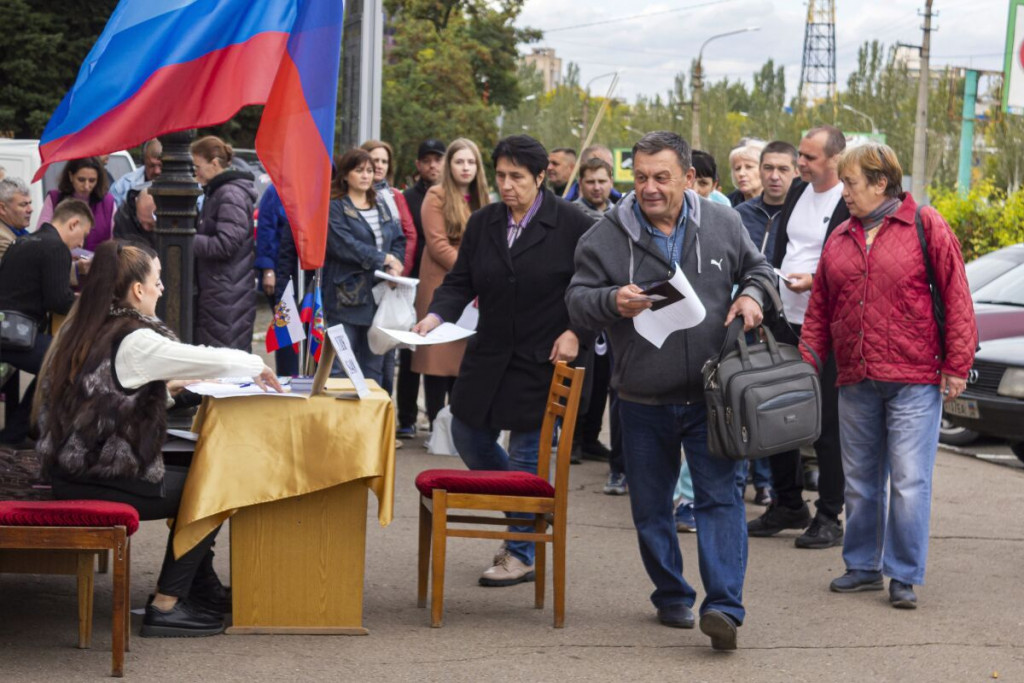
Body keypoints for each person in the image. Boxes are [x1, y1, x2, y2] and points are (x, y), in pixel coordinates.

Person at [566, 130, 775, 650]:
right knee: (651, 508)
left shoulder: (724, 223)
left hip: (713, 395)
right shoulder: (605, 235)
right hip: (640, 397)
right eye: (640, 178)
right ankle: (671, 594)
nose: (650, 188)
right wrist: (614, 300)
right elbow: (576, 302)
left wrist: (751, 297)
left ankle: (724, 608)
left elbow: (760, 271)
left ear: (688, 177)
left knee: (720, 500)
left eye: (662, 177)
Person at [36, 240, 283, 637]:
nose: (162, 288)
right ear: (137, 290)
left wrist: (169, 390)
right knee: (219, 482)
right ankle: (167, 604)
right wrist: (256, 365)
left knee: (199, 464)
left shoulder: (85, 326)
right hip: (101, 477)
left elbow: (103, 407)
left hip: (76, 468)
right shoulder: (135, 339)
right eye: (157, 280)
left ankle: (201, 589)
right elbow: (211, 356)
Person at [800, 142, 976, 609]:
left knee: (909, 480)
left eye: (851, 183)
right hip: (856, 377)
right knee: (859, 479)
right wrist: (807, 363)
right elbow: (820, 308)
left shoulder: (925, 223)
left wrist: (957, 365)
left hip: (915, 378)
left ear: (881, 183)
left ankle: (903, 574)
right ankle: (861, 566)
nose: (845, 193)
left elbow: (957, 294)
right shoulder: (839, 236)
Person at [413, 134, 593, 587]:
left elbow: (593, 289)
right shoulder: (485, 222)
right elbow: (461, 280)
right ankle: (531, 518)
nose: (507, 185)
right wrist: (436, 315)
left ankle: (520, 552)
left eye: (517, 176)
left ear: (540, 177)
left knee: (528, 456)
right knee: (466, 432)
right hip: (488, 353)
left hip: (542, 358)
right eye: (501, 176)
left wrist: (577, 331)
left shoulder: (572, 223)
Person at [747, 126, 850, 550]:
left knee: (825, 425)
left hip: (825, 326)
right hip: (784, 319)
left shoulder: (849, 197)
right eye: (800, 157)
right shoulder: (797, 193)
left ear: (835, 160)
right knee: (776, 414)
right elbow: (783, 248)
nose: (800, 165)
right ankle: (789, 503)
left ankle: (829, 514)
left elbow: (851, 259)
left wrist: (816, 281)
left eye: (808, 158)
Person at [0, 199, 93, 446]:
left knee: (53, 361)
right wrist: (90, 306)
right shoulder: (56, 248)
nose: (81, 245)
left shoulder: (22, 241)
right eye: (82, 236)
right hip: (16, 335)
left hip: (7, 329)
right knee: (62, 363)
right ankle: (18, 432)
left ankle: (18, 430)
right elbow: (57, 300)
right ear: (73, 223)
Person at [411, 138, 490, 427]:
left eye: (471, 162)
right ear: (450, 166)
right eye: (459, 161)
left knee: (463, 359)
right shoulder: (437, 195)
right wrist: (475, 273)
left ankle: (457, 423)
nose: (466, 167)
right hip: (442, 284)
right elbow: (437, 245)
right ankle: (435, 423)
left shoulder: (484, 198)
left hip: (477, 289)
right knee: (437, 360)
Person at [324, 149, 405, 384]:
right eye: (359, 171)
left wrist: (395, 265)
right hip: (345, 297)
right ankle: (340, 421)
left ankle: (371, 419)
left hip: (379, 296)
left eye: (369, 171)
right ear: (346, 175)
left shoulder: (381, 203)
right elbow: (343, 245)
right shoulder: (336, 205)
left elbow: (398, 238)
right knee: (342, 367)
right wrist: (384, 259)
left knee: (374, 368)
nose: (366, 176)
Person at [396, 138, 446, 438]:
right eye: (426, 159)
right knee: (410, 354)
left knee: (440, 355)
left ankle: (438, 416)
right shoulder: (406, 198)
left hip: (444, 284)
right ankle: (406, 417)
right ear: (418, 164)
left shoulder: (453, 197)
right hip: (411, 284)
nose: (432, 165)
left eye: (437, 159)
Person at [361, 139, 419, 396]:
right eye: (375, 160)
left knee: (385, 351)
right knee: (362, 353)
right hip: (361, 284)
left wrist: (398, 270)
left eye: (384, 161)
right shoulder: (349, 198)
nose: (379, 166)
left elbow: (408, 234)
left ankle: (385, 411)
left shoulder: (395, 196)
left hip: (390, 282)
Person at [190, 135, 258, 351]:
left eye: (197, 166)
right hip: (225, 289)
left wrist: (186, 241)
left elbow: (226, 244)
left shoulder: (229, 193)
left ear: (215, 164)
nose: (195, 172)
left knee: (224, 363)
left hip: (226, 293)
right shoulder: (221, 192)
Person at [735, 141, 798, 262]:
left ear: (796, 173)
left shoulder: (802, 216)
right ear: (759, 170)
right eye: (768, 168)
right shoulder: (739, 215)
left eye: (783, 169)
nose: (774, 176)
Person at [37, 157, 115, 252]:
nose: (86, 186)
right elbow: (41, 236)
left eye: (92, 180)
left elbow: (114, 241)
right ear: (71, 176)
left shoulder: (108, 202)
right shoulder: (54, 198)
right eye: (81, 180)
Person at [110, 139, 163, 207]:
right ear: (144, 161)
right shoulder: (122, 186)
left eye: (161, 166)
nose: (157, 171)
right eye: (151, 166)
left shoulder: (178, 186)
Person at [0, 177, 33, 259]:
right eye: (23, 204)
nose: (30, 209)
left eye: (30, 203)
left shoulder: (20, 231)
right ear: (2, 208)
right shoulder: (3, 239)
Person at [726, 139, 765, 207]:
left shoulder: (782, 203)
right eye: (737, 168)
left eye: (749, 167)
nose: (741, 173)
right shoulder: (727, 204)